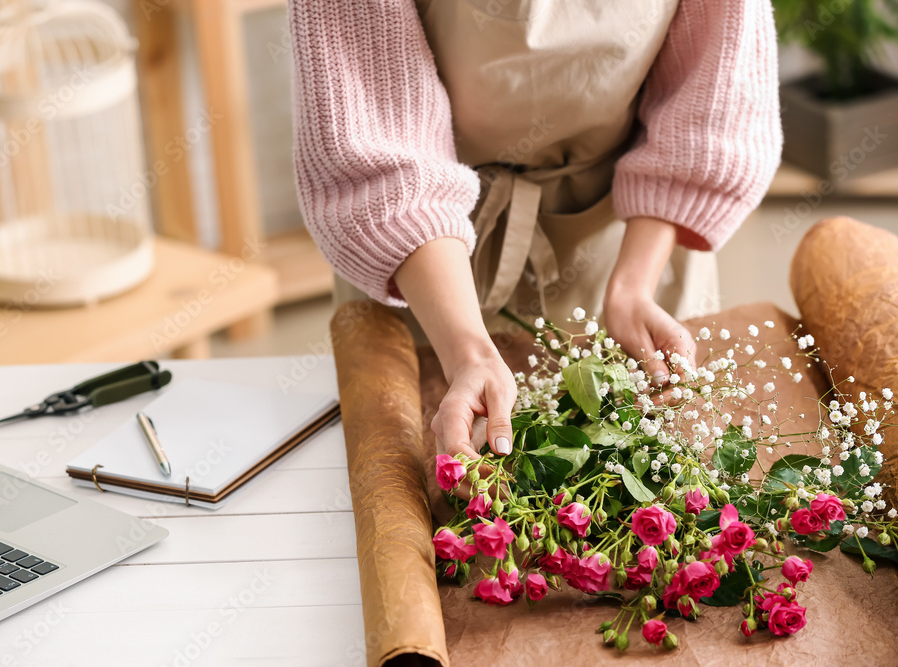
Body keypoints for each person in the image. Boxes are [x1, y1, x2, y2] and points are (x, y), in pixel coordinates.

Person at [288, 0, 782, 464]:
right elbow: (375, 141)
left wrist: (633, 288)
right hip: (420, 253)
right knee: (418, 486)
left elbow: (712, 98)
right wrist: (467, 354)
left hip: (631, 227)